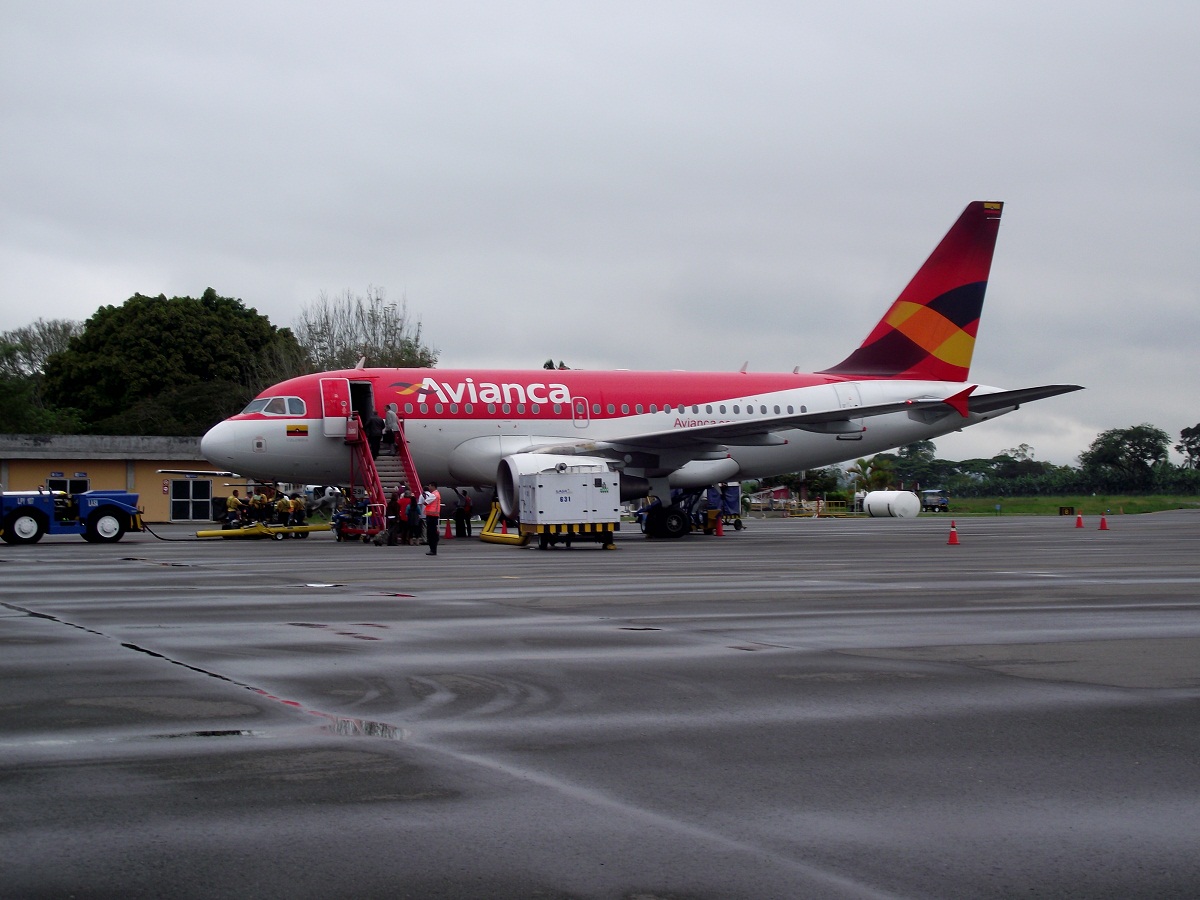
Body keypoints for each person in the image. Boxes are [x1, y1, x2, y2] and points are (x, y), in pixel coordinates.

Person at [421, 481, 442, 555]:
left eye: (430, 486)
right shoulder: (437, 494)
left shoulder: (433, 495)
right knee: (433, 533)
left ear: (433, 486)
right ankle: (433, 549)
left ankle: (432, 549)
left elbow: (425, 502)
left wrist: (423, 496)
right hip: (434, 516)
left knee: (431, 534)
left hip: (431, 516)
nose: (429, 488)